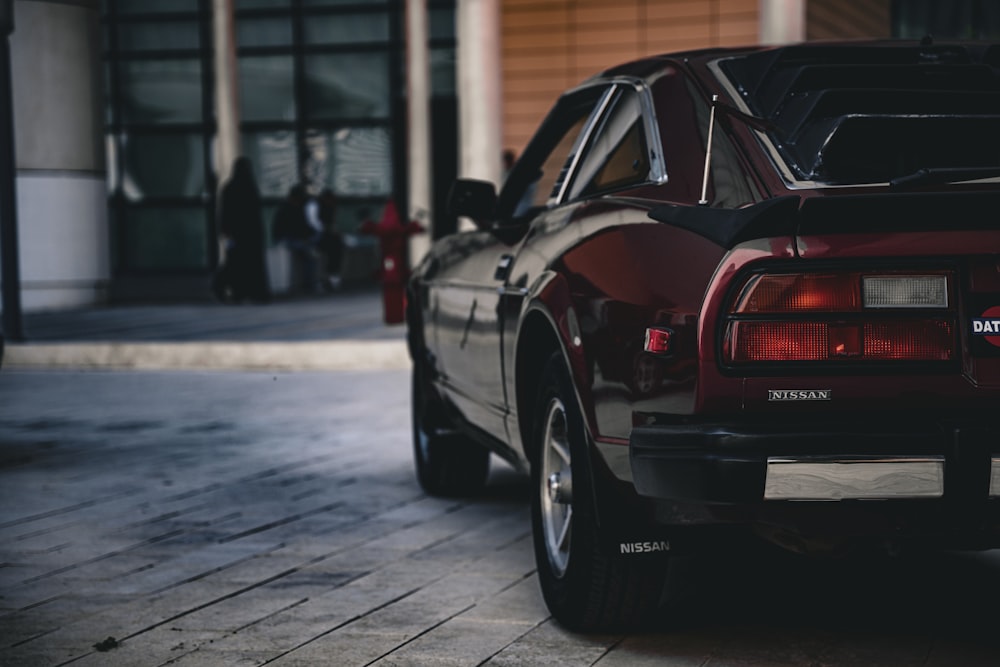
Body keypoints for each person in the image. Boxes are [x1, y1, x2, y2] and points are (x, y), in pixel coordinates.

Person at [212, 157, 270, 303]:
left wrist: (224, 231)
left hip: (236, 234)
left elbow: (224, 212)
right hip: (251, 235)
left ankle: (237, 292)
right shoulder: (250, 187)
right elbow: (255, 215)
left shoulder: (229, 188)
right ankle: (254, 293)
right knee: (251, 265)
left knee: (235, 263)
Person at [273, 183, 321, 294]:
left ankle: (309, 283)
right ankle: (310, 284)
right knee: (309, 253)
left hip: (291, 238)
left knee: (309, 250)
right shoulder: (289, 209)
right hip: (286, 239)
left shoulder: (290, 207)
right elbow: (295, 228)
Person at [314, 188, 344, 290]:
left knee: (337, 245)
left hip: (326, 236)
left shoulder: (330, 208)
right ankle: (332, 274)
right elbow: (317, 225)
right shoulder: (318, 207)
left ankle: (332, 274)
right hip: (317, 236)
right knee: (334, 246)